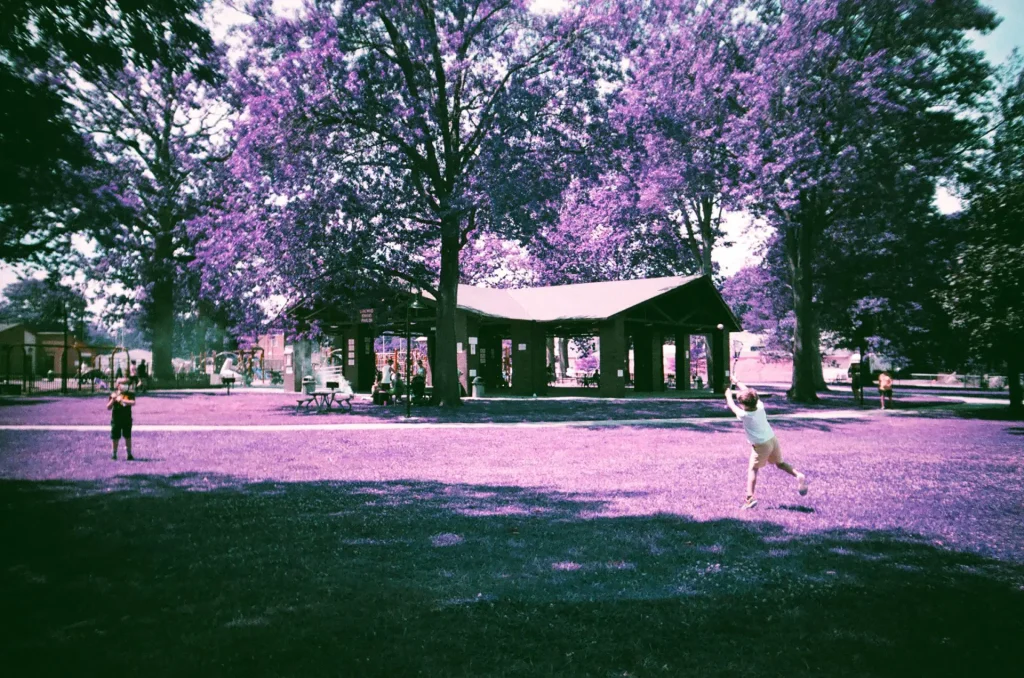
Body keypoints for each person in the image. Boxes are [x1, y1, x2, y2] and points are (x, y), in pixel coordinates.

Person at [726, 381, 808, 510]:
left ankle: (749, 498)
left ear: (743, 405)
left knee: (753, 469)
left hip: (761, 445)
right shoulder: (760, 406)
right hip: (772, 439)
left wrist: (728, 394)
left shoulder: (744, 415)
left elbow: (731, 405)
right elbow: (749, 391)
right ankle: (798, 475)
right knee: (780, 463)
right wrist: (737, 382)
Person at [107, 378, 135, 461]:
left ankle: (129, 454)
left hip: (127, 419)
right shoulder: (114, 394)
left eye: (126, 384)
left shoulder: (129, 394)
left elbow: (133, 402)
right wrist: (113, 399)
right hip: (116, 419)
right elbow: (108, 407)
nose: (125, 385)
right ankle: (114, 454)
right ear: (118, 385)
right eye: (123, 384)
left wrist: (122, 400)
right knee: (115, 437)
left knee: (128, 436)